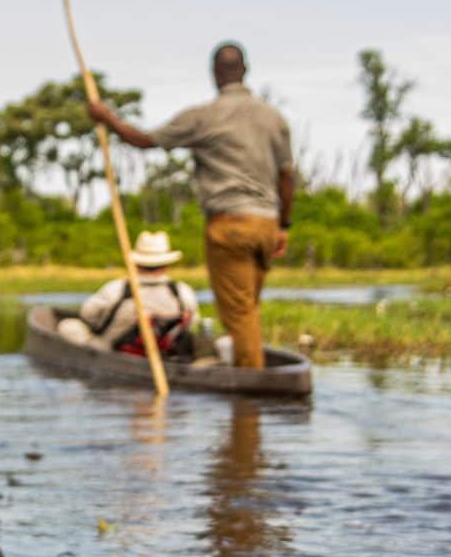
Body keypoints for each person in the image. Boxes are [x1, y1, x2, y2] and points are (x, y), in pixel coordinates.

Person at [87, 41, 293, 370]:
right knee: (248, 310)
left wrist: (105, 117)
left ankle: (251, 400)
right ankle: (250, 383)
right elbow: (287, 177)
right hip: (267, 225)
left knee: (239, 316)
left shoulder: (204, 117)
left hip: (231, 226)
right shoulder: (274, 118)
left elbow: (144, 140)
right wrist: (284, 226)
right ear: (245, 71)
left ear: (214, 74)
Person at [60, 229, 199, 356]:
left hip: (113, 351)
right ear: (167, 264)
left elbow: (88, 316)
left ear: (136, 263)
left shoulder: (116, 289)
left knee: (68, 326)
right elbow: (192, 324)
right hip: (165, 353)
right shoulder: (182, 291)